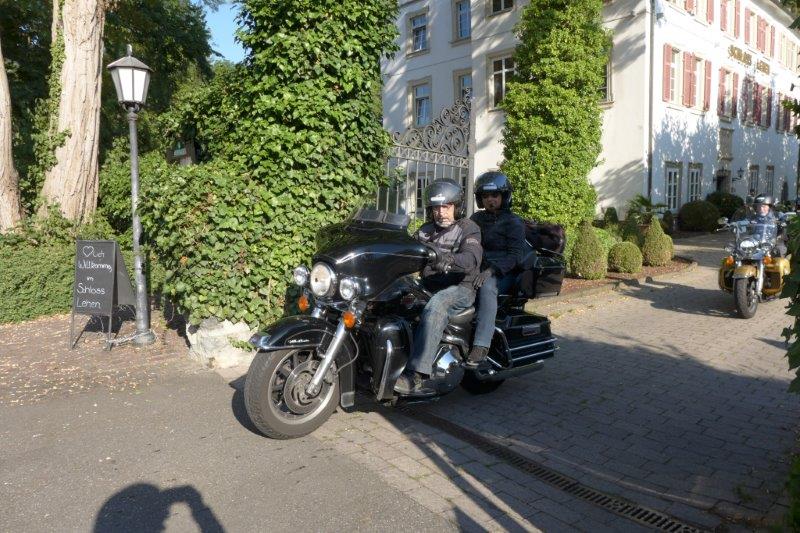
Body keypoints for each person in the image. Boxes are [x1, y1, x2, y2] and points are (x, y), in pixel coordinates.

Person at [394, 179, 483, 394]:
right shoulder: (425, 231)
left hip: (460, 288)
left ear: (457, 207)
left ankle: (417, 374)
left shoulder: (468, 229)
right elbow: (408, 250)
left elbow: (471, 259)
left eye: (446, 206)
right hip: (429, 285)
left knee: (438, 305)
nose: (441, 213)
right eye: (436, 207)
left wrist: (449, 259)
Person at [466, 172, 526, 368]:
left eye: (494, 195)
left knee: (487, 286)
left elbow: (515, 255)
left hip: (504, 272)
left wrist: (491, 271)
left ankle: (481, 344)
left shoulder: (513, 222)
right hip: (479, 267)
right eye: (485, 196)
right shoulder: (476, 218)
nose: (490, 200)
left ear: (504, 196)